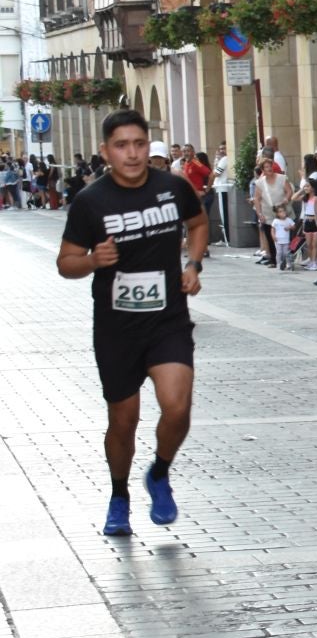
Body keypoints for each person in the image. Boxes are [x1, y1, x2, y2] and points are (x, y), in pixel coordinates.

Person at [57, 109, 208, 536]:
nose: (133, 153)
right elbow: (64, 263)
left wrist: (193, 264)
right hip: (117, 328)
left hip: (168, 319)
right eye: (122, 146)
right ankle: (119, 494)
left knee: (177, 407)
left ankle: (159, 473)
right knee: (123, 421)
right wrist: (91, 261)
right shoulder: (91, 202)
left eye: (140, 144)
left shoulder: (173, 187)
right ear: (106, 152)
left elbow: (198, 224)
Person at [271, 205, 295, 270]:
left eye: (284, 211)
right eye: (280, 212)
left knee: (286, 253)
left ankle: (288, 264)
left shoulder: (288, 220)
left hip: (286, 240)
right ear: (277, 214)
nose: (283, 212)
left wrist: (289, 227)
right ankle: (279, 264)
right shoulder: (275, 221)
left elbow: (294, 227)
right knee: (279, 253)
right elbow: (272, 229)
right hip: (278, 240)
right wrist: (273, 236)